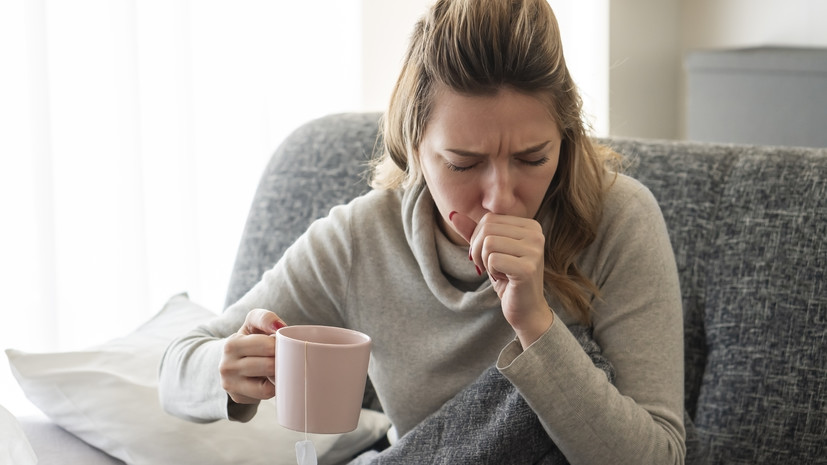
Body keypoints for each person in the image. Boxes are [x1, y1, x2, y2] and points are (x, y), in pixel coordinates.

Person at [159, 0, 687, 463]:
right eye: (463, 163)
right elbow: (176, 368)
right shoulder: (362, 240)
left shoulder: (617, 219)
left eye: (532, 158)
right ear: (412, 148)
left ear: (566, 140)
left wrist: (535, 325)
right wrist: (230, 373)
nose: (500, 198)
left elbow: (658, 458)